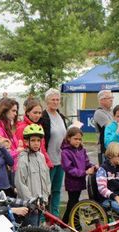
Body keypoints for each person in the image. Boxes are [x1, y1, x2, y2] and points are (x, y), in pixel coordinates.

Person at [16, 124, 51, 226]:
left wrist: (45, 199)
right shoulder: (23, 159)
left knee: (38, 230)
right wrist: (31, 202)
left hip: (41, 204)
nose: (36, 143)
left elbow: (46, 180)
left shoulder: (41, 157)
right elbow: (20, 183)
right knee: (31, 230)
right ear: (27, 142)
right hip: (30, 205)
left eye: (38, 140)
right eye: (33, 140)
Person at [41, 88, 68, 217]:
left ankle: (55, 218)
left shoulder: (61, 116)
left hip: (60, 159)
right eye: (53, 99)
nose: (56, 102)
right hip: (48, 160)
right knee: (46, 190)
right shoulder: (43, 117)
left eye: (57, 99)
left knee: (57, 190)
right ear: (47, 101)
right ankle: (42, 218)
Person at [61, 127, 96, 223]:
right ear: (69, 138)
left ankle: (70, 224)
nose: (78, 141)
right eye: (75, 139)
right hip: (72, 182)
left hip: (80, 181)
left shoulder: (82, 150)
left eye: (79, 139)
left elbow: (86, 163)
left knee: (74, 203)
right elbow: (69, 169)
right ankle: (69, 224)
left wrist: (94, 167)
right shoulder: (65, 152)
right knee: (73, 203)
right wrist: (84, 173)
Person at [15, 99, 53, 169]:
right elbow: (19, 150)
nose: (38, 115)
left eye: (39, 113)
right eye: (35, 112)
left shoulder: (39, 126)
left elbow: (42, 147)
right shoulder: (21, 128)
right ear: (28, 112)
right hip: (27, 165)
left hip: (39, 163)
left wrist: (47, 162)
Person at [0, 98, 22, 169]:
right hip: (7, 169)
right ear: (5, 111)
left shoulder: (8, 127)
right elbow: (3, 154)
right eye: (13, 111)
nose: (15, 114)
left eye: (16, 111)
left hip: (14, 166)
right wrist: (18, 151)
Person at [93, 90, 114, 164]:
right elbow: (112, 127)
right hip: (104, 149)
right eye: (109, 98)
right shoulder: (99, 112)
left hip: (113, 146)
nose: (111, 100)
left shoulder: (111, 111)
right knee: (106, 172)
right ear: (101, 100)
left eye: (112, 97)